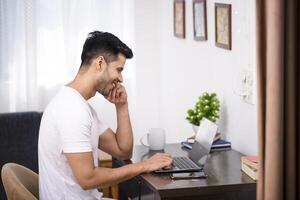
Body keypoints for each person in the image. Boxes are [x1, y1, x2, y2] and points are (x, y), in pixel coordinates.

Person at [38, 31, 172, 200]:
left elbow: (123, 151)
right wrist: (144, 165)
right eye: (119, 69)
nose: (121, 78)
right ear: (100, 63)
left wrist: (122, 106)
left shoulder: (79, 105)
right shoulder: (72, 109)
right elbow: (88, 179)